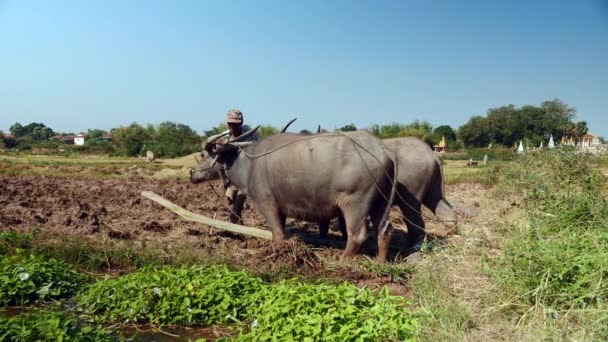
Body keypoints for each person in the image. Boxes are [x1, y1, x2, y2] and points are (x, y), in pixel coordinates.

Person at [221, 109, 258, 224]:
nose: (234, 126)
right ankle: (238, 222)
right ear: (228, 124)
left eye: (237, 123)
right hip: (232, 170)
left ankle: (234, 220)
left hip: (249, 170)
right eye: (231, 123)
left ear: (241, 123)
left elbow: (258, 149)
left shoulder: (251, 134)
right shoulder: (225, 137)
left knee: (243, 193)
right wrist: (225, 179)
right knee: (231, 196)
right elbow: (222, 161)